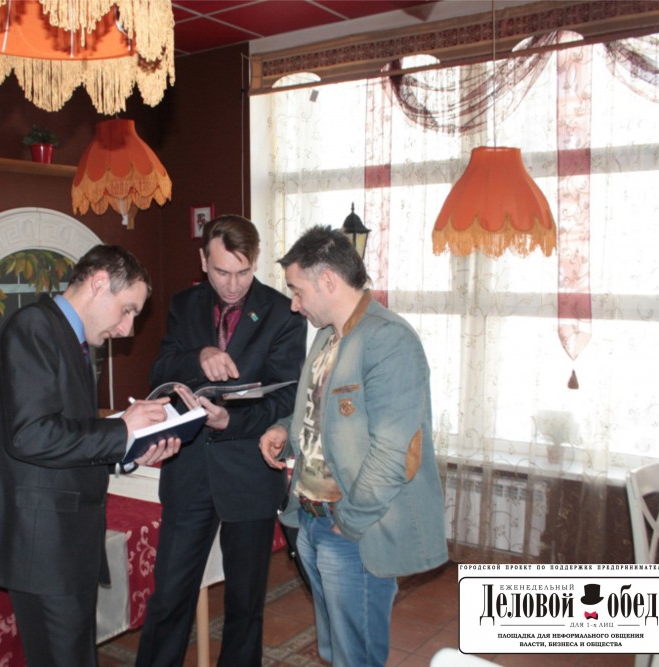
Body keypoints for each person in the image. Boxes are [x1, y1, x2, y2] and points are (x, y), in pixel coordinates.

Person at [0, 245, 181, 667]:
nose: (128, 328)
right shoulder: (34, 328)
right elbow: (31, 435)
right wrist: (121, 430)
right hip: (42, 544)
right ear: (99, 283)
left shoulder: (71, 338)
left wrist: (131, 450)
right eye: (127, 310)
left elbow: (67, 437)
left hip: (64, 541)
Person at [259, 226, 447, 667]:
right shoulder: (327, 336)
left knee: (356, 657)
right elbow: (320, 413)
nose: (294, 303)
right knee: (336, 650)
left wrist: (350, 524)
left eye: (297, 290)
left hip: (350, 528)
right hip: (311, 518)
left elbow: (394, 451)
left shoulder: (389, 340)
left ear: (328, 281)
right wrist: (285, 430)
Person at [136, 215, 307, 667]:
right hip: (189, 472)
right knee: (169, 598)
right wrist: (199, 356)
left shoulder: (283, 312)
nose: (232, 285)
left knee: (245, 607)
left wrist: (230, 419)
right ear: (203, 261)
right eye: (221, 272)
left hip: (249, 474)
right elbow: (160, 371)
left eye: (243, 272)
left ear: (256, 262)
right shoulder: (184, 303)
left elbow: (287, 398)